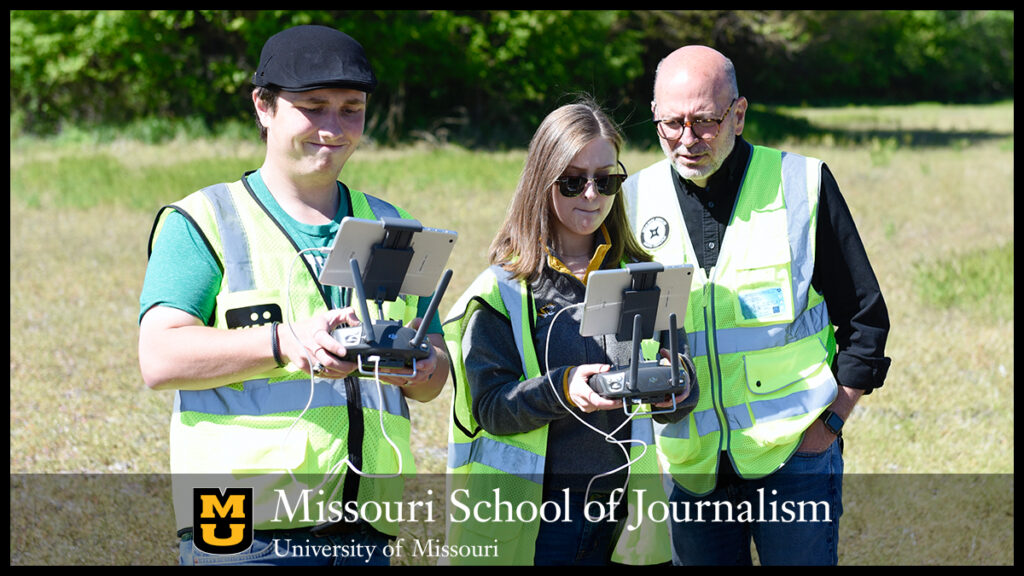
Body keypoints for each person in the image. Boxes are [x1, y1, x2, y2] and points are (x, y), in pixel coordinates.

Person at [138, 24, 449, 566]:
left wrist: (417, 369)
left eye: (351, 108)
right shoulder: (203, 221)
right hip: (239, 530)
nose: (333, 127)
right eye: (313, 106)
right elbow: (160, 358)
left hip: (364, 532)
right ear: (263, 106)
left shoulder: (394, 226)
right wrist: (286, 344)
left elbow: (435, 376)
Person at [622, 45, 892, 565]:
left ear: (738, 115)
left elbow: (865, 316)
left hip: (795, 457)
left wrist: (830, 425)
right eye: (670, 123)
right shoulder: (632, 199)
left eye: (704, 121)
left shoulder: (802, 183)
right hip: (690, 466)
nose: (686, 139)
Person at [442, 98, 697, 566]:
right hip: (538, 522)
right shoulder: (503, 290)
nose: (592, 195)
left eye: (606, 180)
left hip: (628, 518)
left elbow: (677, 385)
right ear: (543, 181)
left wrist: (674, 387)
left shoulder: (643, 275)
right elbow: (492, 409)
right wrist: (562, 388)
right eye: (574, 180)